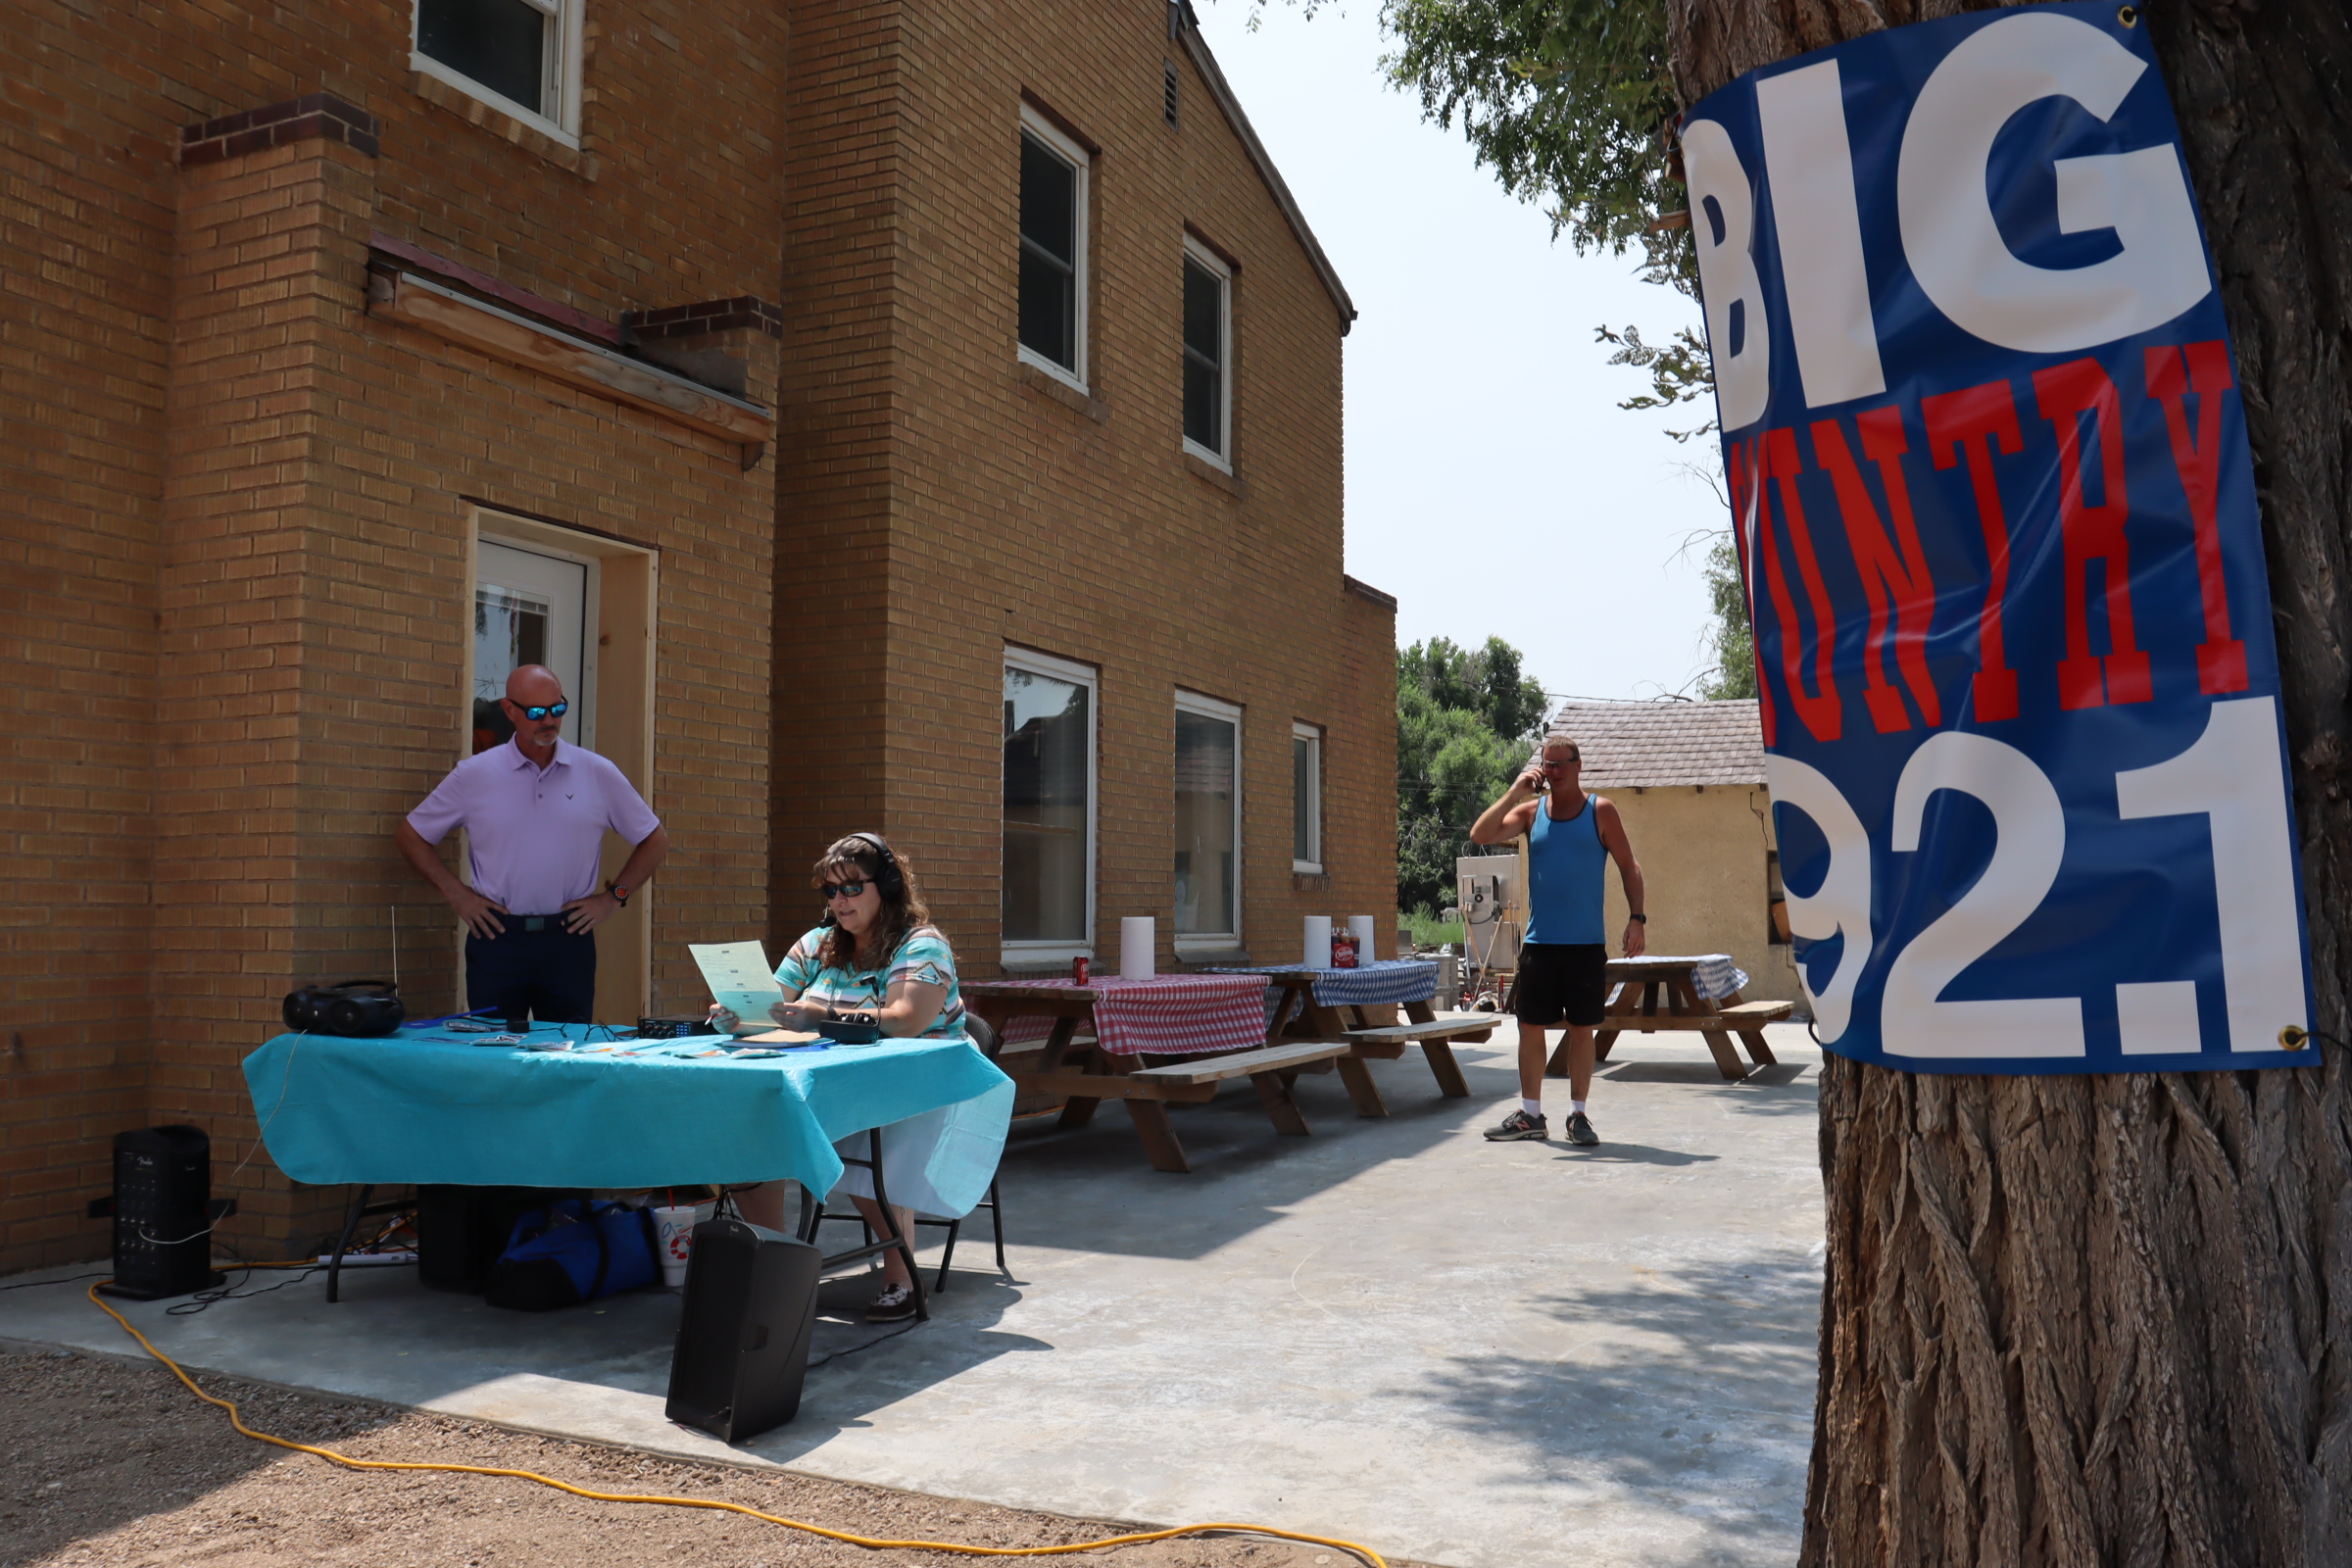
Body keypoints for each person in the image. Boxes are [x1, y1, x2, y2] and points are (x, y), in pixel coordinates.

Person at [710, 832, 968, 1322]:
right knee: (749, 1129)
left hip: (925, 1080)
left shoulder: (922, 943)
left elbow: (909, 1019)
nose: (839, 901)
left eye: (851, 888)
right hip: (837, 1076)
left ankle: (901, 1276)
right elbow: (774, 1005)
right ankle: (777, 1270)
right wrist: (738, 1013)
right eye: (831, 891)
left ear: (888, 887)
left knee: (856, 1145)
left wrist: (817, 1014)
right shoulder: (817, 942)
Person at [395, 664, 668, 1025]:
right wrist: (457, 895)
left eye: (557, 709)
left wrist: (612, 898)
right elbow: (411, 834)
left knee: (567, 1057)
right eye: (536, 712)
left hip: (568, 938)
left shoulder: (597, 772)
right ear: (509, 711)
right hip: (497, 937)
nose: (549, 721)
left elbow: (654, 839)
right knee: (492, 1056)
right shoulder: (475, 775)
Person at [1467, 730, 1645, 1147]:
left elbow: (1629, 866)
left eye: (1564, 762)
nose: (1556, 770)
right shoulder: (1531, 814)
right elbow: (1480, 834)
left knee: (1582, 1030)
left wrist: (1637, 918)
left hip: (1584, 945)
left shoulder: (1600, 811)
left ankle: (1578, 1116)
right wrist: (1514, 791)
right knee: (1530, 1026)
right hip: (1539, 944)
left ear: (1579, 766)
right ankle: (1530, 1115)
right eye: (1549, 763)